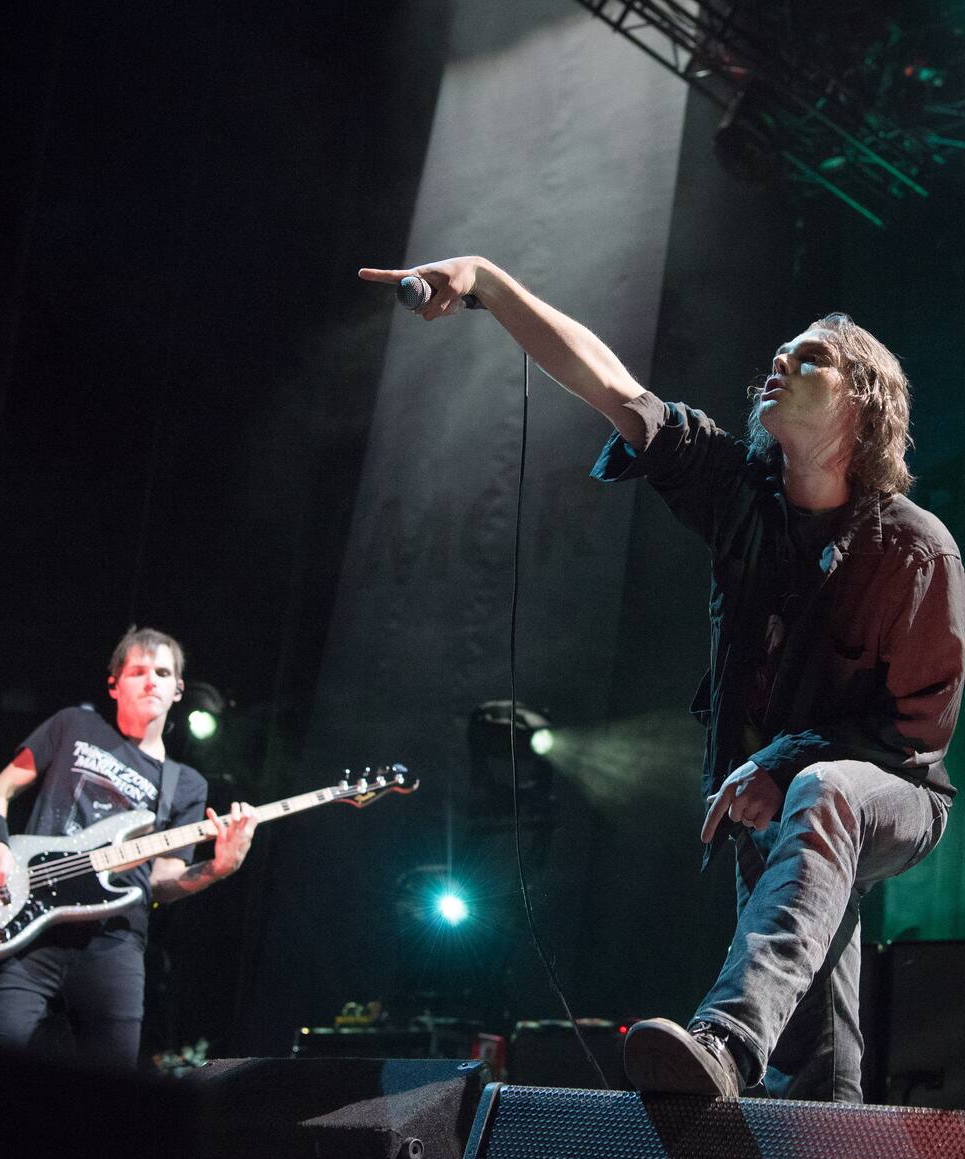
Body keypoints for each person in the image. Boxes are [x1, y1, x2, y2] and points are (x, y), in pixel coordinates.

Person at [360, 257, 965, 1102]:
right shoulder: (739, 495)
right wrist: (490, 283)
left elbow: (914, 735)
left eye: (812, 358)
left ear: (863, 403)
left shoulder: (915, 549)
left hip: (891, 793)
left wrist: (784, 760)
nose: (780, 361)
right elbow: (613, 388)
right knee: (816, 1055)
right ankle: (825, 1147)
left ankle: (725, 1042)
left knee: (825, 787)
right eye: (780, 353)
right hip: (771, 803)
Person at [0, 625, 256, 1068]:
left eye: (162, 673)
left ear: (178, 689)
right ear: (114, 684)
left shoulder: (186, 784)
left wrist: (219, 869)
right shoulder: (73, 725)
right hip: (31, 927)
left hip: (115, 942)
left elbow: (162, 881)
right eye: (138, 671)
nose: (150, 681)